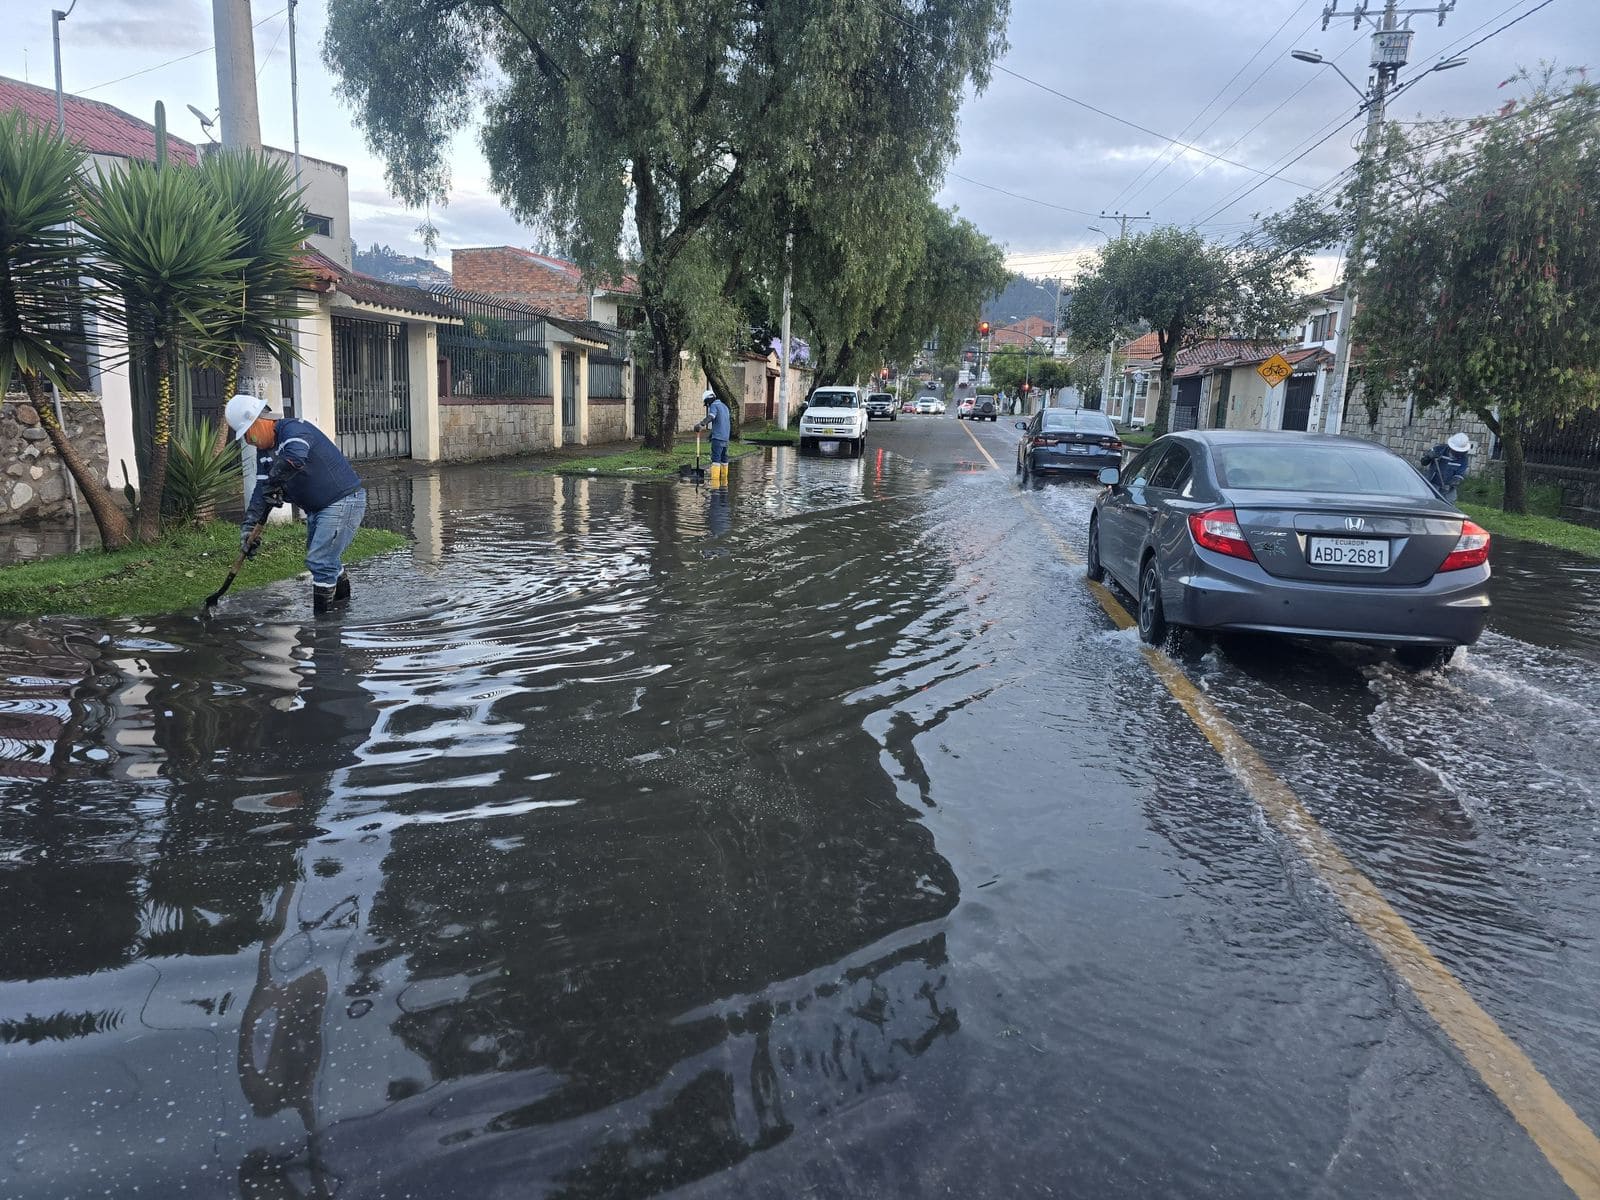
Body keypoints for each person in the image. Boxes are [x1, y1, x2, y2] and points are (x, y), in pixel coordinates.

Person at [225, 394, 367, 614]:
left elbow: (295, 457)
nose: (248, 441)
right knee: (324, 559)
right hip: (318, 508)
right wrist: (248, 531)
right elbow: (260, 494)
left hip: (342, 501)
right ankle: (342, 608)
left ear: (260, 422)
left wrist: (275, 481)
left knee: (320, 561)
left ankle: (324, 627)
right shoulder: (265, 454)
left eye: (248, 434)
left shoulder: (293, 429)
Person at [693, 388, 732, 488]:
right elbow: (723, 422)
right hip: (726, 438)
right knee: (724, 459)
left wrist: (701, 424)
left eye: (707, 403)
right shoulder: (724, 406)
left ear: (708, 400)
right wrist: (711, 433)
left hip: (718, 438)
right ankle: (724, 482)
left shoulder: (714, 406)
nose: (708, 406)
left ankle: (714, 483)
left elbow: (711, 417)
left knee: (716, 459)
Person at [1421, 431, 1473, 502]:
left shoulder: (1464, 459)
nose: (1459, 453)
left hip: (1448, 490)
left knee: (1448, 506)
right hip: (1431, 484)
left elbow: (1459, 476)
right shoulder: (1438, 450)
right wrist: (1428, 457)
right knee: (1429, 502)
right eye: (1457, 451)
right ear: (1452, 448)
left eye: (1461, 451)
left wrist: (1451, 484)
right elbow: (1423, 462)